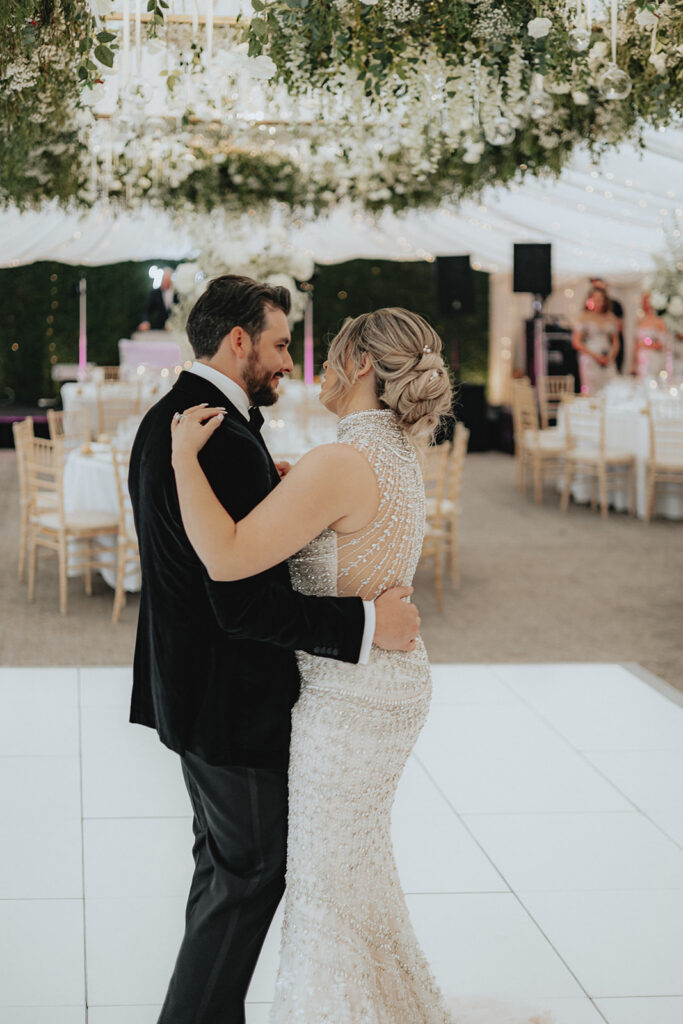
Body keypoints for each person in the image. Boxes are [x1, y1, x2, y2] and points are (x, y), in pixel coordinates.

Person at [171, 306, 552, 1024]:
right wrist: (292, 487)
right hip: (384, 682)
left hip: (348, 696)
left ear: (363, 367)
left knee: (325, 885)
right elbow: (344, 539)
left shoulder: (341, 462)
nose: (316, 367)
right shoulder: (394, 452)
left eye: (332, 354)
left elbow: (223, 558)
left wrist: (182, 463)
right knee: (353, 872)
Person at [128, 276, 420, 1024]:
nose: (290, 360)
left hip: (194, 690)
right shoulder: (215, 435)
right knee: (251, 872)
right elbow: (238, 595)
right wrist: (363, 625)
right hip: (231, 702)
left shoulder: (194, 420)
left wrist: (274, 495)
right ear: (238, 341)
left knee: (226, 869)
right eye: (281, 342)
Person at [572, 286, 620, 395]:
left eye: (601, 299)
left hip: (607, 359)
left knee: (609, 389)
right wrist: (595, 355)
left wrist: (610, 357)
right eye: (596, 298)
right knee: (591, 390)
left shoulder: (610, 318)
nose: (599, 302)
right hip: (590, 360)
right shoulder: (584, 317)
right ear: (590, 299)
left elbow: (616, 342)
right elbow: (576, 342)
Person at [590, 276, 624, 373]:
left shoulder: (615, 307)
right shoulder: (586, 317)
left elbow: (617, 337)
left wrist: (610, 357)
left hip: (608, 353)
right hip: (591, 357)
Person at [632, 292, 670, 379]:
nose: (645, 303)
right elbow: (635, 343)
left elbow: (662, 343)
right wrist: (633, 362)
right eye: (644, 301)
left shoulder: (659, 321)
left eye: (647, 300)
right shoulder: (639, 320)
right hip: (640, 357)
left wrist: (647, 345)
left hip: (652, 358)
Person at [138, 266, 177, 330]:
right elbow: (147, 310)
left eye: (168, 281)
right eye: (165, 280)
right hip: (160, 328)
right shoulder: (155, 293)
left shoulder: (177, 293)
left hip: (175, 329)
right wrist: (145, 321)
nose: (166, 283)